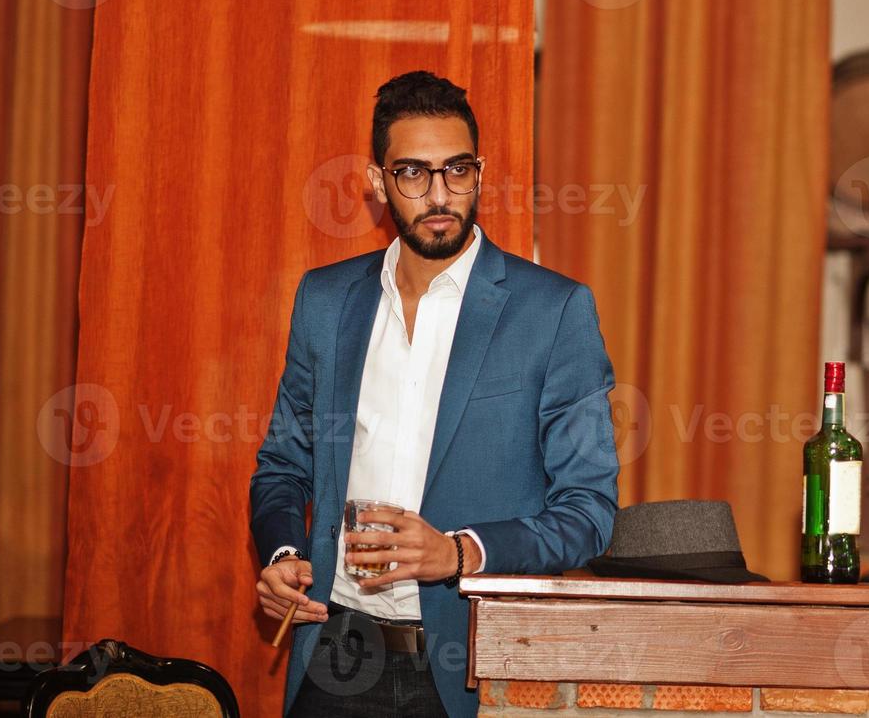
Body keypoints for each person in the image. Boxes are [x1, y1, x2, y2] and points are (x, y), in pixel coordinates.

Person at [250, 71, 619, 718]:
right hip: (334, 654)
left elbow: (587, 513)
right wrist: (283, 554)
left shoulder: (553, 311)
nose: (440, 194)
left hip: (471, 665)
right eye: (414, 174)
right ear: (377, 182)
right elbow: (283, 464)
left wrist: (458, 552)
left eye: (457, 171)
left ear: (481, 171)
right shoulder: (325, 301)